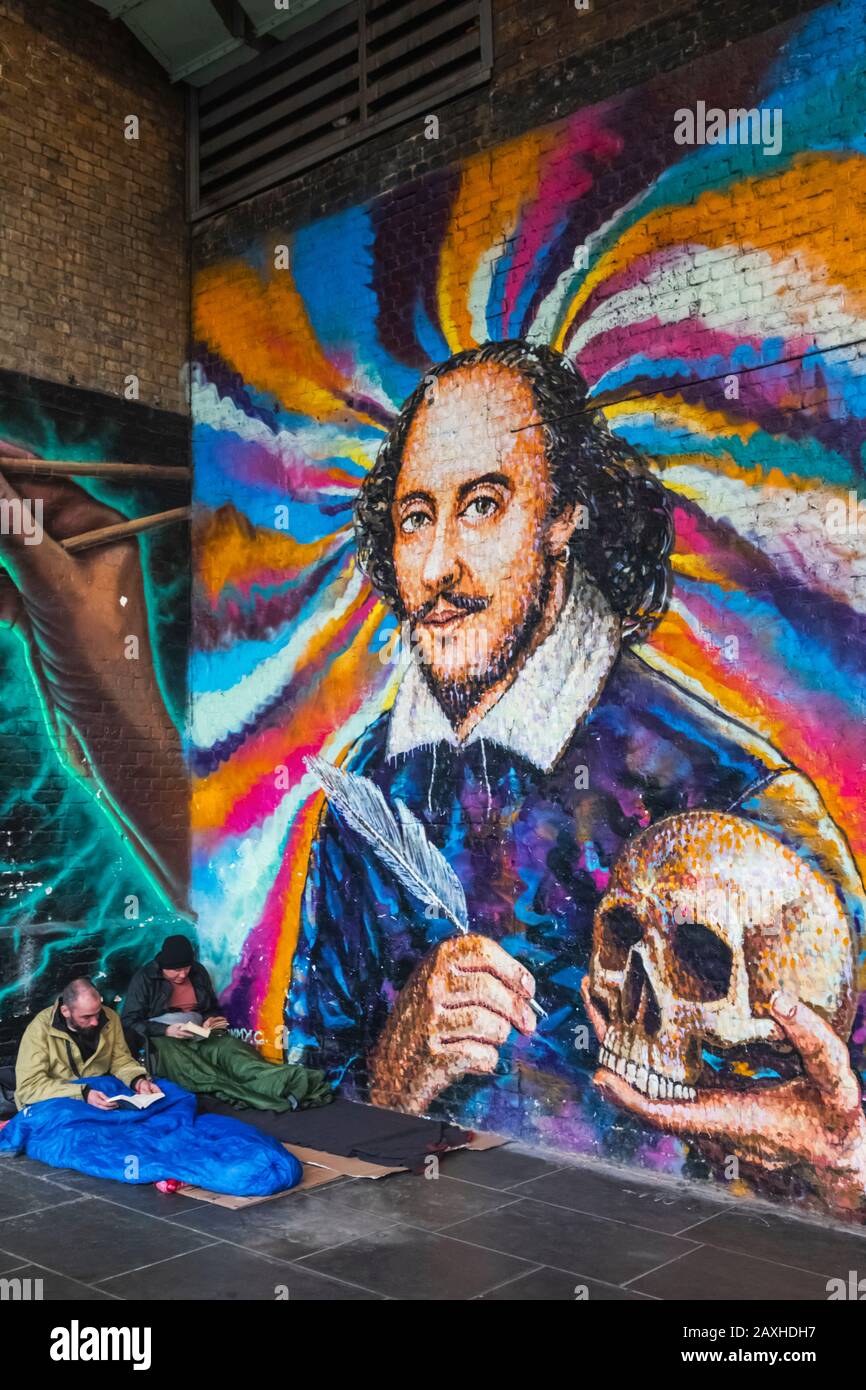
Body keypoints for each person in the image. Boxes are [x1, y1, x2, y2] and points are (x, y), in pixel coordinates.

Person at [284, 341, 866, 1213]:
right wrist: (395, 1071)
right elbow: (305, 1112)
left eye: (482, 505)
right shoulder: (363, 804)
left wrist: (837, 1172)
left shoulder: (739, 798)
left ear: (566, 515)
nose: (438, 566)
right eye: (414, 518)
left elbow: (840, 1138)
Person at [123, 935, 331, 1112]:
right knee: (207, 1074)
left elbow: (210, 1007)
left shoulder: (198, 972)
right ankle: (269, 1098)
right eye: (175, 971)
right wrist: (165, 1030)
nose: (182, 974)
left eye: (186, 968)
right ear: (163, 966)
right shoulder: (145, 978)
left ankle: (292, 1080)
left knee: (236, 1055)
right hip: (165, 1040)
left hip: (200, 1033)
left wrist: (211, 1020)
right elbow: (129, 1021)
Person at [15, 977, 161, 1110]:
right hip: (58, 1099)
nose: (95, 1022)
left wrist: (137, 1080)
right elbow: (29, 1087)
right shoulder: (40, 1029)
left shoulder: (110, 1017)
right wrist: (82, 1093)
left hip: (98, 1090)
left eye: (97, 1013)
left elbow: (120, 1060)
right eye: (86, 1017)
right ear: (66, 1011)